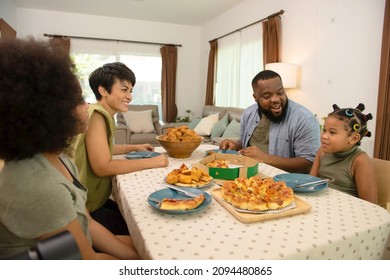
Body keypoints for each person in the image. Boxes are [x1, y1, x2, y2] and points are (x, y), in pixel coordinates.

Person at [0, 38, 140, 259]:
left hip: (72, 249)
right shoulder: (38, 186)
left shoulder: (59, 159)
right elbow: (85, 262)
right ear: (49, 111)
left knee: (147, 242)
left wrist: (136, 255)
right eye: (78, 99)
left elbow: (88, 225)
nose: (87, 105)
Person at [73, 62, 168, 234]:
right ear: (103, 91)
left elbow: (101, 149)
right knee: (142, 227)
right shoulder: (97, 116)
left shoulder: (101, 113)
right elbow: (103, 167)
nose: (130, 96)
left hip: (95, 200)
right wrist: (153, 162)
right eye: (124, 90)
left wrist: (133, 147)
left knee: (132, 213)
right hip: (86, 207)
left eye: (130, 91)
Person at [220, 70, 320, 173]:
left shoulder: (304, 119)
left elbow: (309, 163)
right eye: (267, 96)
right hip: (246, 176)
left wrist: (266, 158)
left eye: (280, 92)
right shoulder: (248, 113)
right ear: (255, 97)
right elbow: (243, 145)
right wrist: (235, 146)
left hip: (283, 184)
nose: (276, 99)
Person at [309, 104, 378, 203]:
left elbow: (370, 204)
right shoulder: (322, 151)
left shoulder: (360, 160)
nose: (324, 136)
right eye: (324, 130)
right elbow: (311, 183)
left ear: (354, 138)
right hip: (321, 204)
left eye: (332, 132)